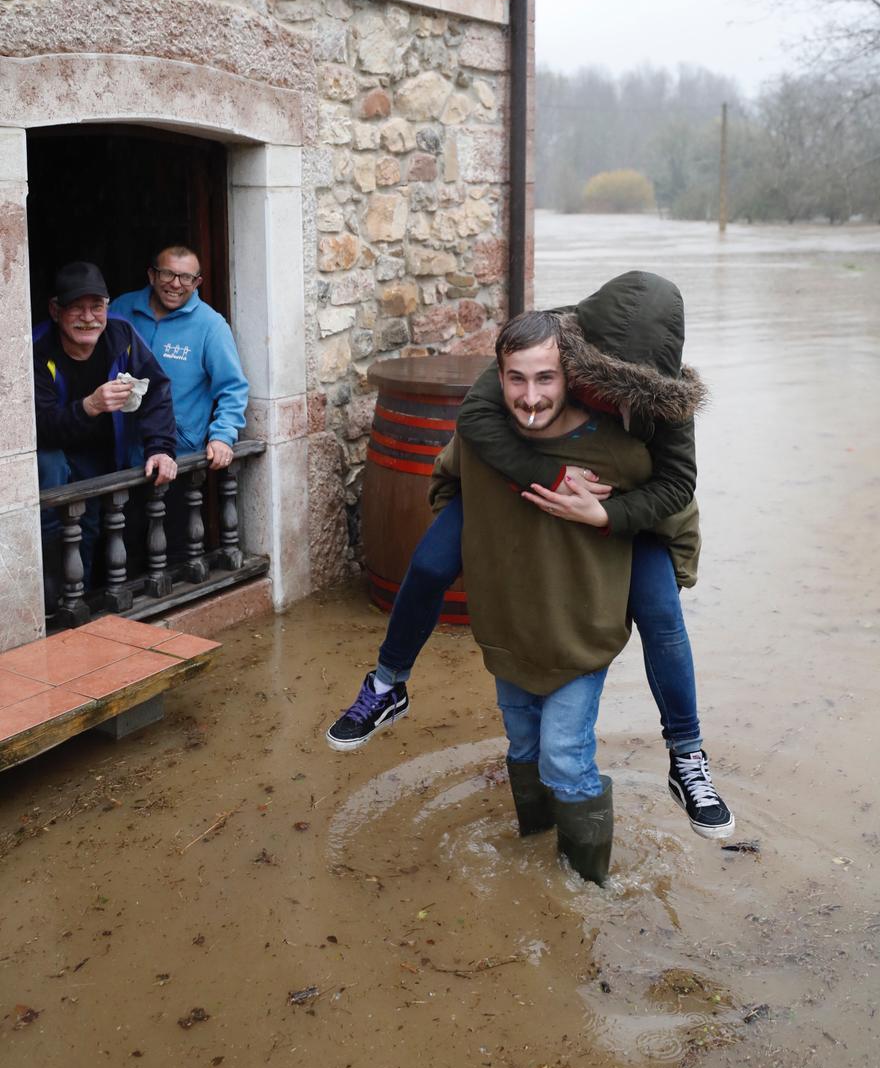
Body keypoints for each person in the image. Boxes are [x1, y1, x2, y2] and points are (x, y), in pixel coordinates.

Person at [327, 270, 734, 842]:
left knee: (662, 616)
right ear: (579, 350)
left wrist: (607, 516)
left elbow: (676, 485)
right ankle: (389, 683)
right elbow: (473, 417)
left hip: (631, 507)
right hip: (520, 484)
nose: (604, 397)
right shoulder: (545, 344)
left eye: (625, 389)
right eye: (598, 379)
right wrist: (554, 474)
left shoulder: (665, 397)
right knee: (431, 563)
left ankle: (687, 756)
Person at [431, 309, 702, 885]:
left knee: (563, 750)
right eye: (519, 380)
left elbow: (678, 505)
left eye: (545, 380)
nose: (530, 397)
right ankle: (535, 845)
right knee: (522, 738)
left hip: (582, 626)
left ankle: (585, 886)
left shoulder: (633, 444)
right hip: (512, 624)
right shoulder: (496, 413)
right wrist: (483, 552)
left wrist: (619, 531)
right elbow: (449, 481)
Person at [33, 260, 178, 586]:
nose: (88, 318)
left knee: (100, 530)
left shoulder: (121, 333)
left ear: (107, 307)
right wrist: (89, 406)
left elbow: (156, 390)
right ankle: (64, 609)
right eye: (76, 308)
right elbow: (37, 427)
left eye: (96, 307)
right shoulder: (37, 350)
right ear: (55, 311)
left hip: (108, 458)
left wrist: (160, 447)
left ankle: (91, 605)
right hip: (57, 469)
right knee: (65, 534)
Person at [110, 244, 248, 467]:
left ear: (197, 283)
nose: (175, 284)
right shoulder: (122, 309)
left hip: (178, 457)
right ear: (152, 275)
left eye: (186, 277)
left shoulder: (211, 326)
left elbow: (232, 388)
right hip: (117, 452)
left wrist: (223, 436)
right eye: (167, 273)